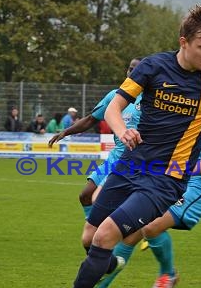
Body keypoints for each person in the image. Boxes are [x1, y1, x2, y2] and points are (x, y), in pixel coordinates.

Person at [27, 4, 201, 288]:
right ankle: (112, 262)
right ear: (183, 42)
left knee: (105, 236)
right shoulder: (152, 67)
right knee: (89, 236)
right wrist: (122, 131)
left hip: (166, 179)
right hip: (130, 166)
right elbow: (115, 108)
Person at [56, 98, 201, 288]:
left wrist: (183, 169)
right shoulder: (182, 94)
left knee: (150, 227)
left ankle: (168, 275)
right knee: (131, 228)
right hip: (169, 173)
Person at [48, 58, 142, 220]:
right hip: (114, 157)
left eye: (137, 70)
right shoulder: (115, 96)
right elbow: (92, 119)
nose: (132, 73)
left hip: (134, 159)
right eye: (130, 68)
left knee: (102, 201)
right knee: (86, 196)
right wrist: (65, 132)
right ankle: (97, 232)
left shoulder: (150, 99)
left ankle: (112, 234)